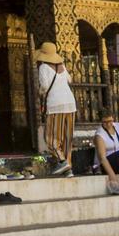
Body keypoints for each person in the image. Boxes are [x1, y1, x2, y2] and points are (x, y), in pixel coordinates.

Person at [35, 42, 76, 176]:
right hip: (70, 104)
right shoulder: (62, 66)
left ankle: (63, 161)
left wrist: (40, 92)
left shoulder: (43, 67)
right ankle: (68, 169)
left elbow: (45, 86)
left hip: (55, 105)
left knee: (51, 138)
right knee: (67, 138)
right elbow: (69, 80)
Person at [94, 111, 119, 195]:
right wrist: (112, 176)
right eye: (105, 122)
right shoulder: (99, 134)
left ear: (113, 119)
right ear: (101, 121)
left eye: (110, 121)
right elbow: (102, 158)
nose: (108, 124)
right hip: (109, 162)